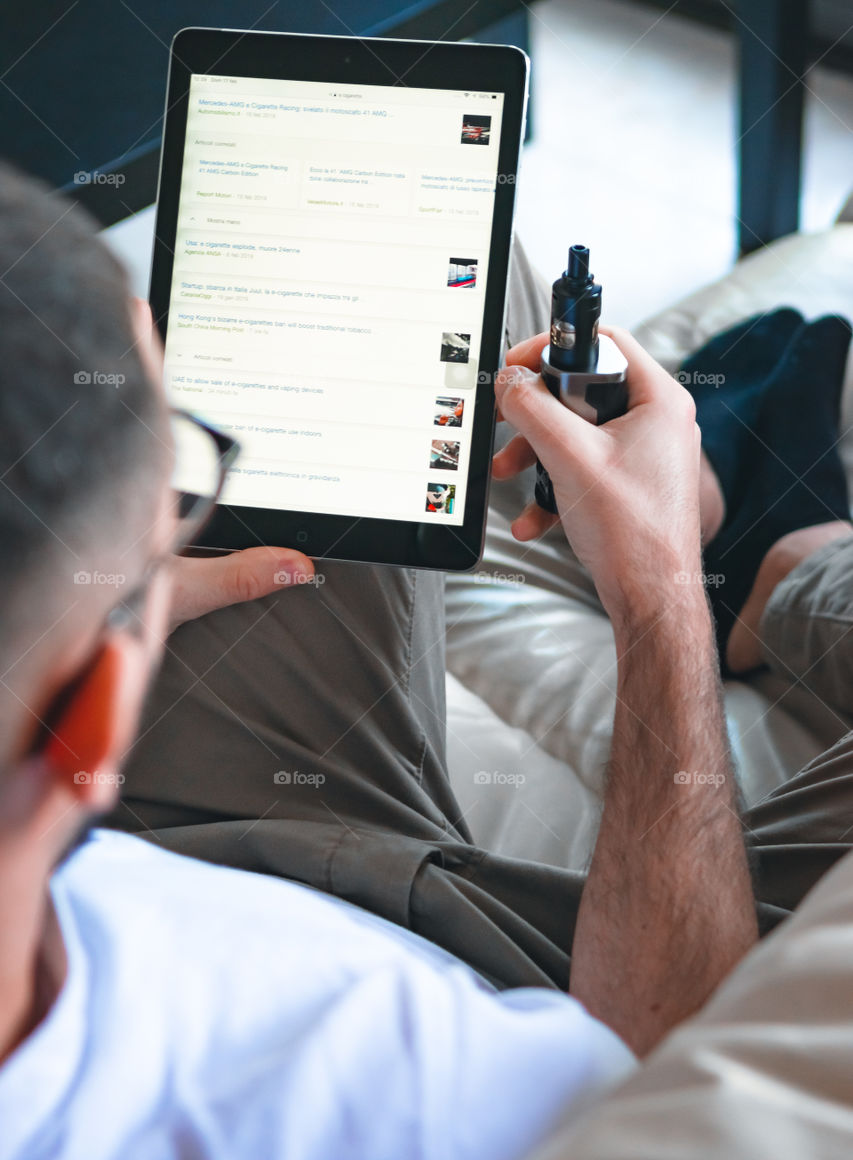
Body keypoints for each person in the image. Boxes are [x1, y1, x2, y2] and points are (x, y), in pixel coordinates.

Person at [0, 160, 844, 1158]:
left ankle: (784, 556)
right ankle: (791, 564)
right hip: (602, 977)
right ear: (94, 709)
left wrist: (114, 591)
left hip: (197, 821)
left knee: (405, 219)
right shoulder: (420, 1079)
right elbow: (666, 1073)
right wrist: (656, 587)